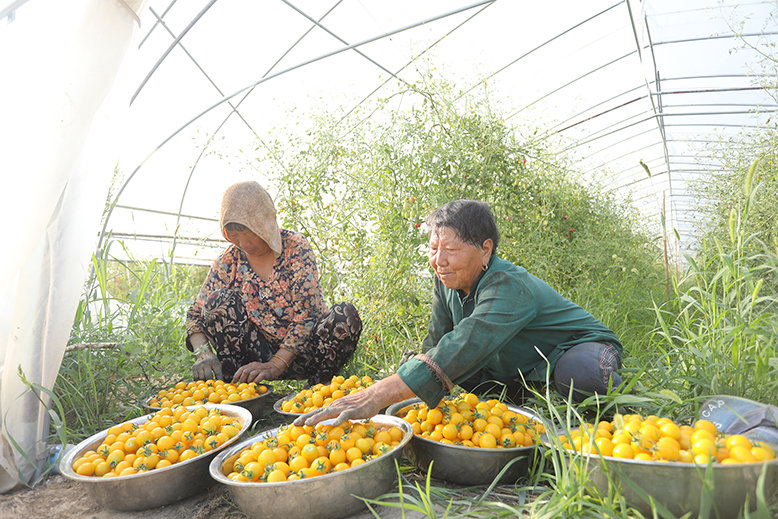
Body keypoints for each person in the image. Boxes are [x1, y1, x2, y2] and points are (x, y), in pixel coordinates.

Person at [296, 199, 623, 427]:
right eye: (433, 248)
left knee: (584, 377)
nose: (439, 260)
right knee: (428, 370)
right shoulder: (447, 282)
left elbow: (469, 341)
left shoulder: (508, 284)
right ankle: (537, 395)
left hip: (575, 349)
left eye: (451, 250)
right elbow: (437, 344)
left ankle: (592, 391)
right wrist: (401, 398)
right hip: (516, 369)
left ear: (486, 250)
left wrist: (376, 394)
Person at [185, 181, 362, 386]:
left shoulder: (295, 248)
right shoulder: (228, 261)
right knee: (217, 302)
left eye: (249, 234)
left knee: (345, 315)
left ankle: (315, 390)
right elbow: (195, 314)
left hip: (305, 353)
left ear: (265, 225)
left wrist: (276, 365)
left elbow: (308, 316)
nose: (243, 244)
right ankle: (243, 391)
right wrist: (203, 353)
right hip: (256, 355)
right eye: (234, 236)